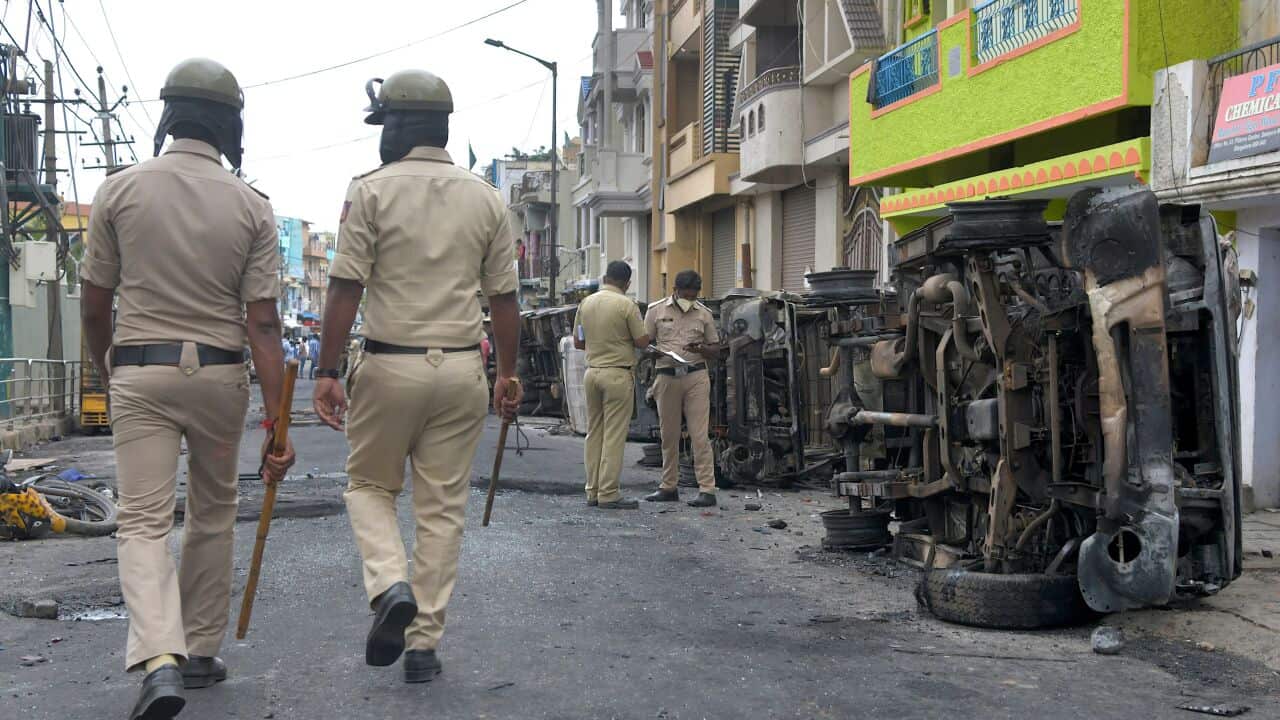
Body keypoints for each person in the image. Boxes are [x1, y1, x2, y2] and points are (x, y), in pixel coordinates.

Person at [79, 58, 296, 720]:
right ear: (230, 125)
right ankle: (200, 650)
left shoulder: (119, 191)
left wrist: (108, 364)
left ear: (169, 116)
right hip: (222, 373)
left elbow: (95, 300)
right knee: (212, 509)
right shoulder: (252, 206)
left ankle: (160, 656)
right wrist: (276, 426)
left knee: (142, 519)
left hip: (140, 367)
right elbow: (263, 323)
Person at [312, 69, 522, 685]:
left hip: (388, 362)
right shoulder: (486, 196)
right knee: (442, 509)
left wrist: (327, 371)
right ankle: (424, 642)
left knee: (370, 488)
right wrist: (507, 372)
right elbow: (504, 300)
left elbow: (346, 285)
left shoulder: (370, 190)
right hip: (462, 368)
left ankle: (388, 585)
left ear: (398, 126)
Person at [573, 261, 649, 509]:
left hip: (592, 373)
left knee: (594, 433)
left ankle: (592, 491)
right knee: (614, 436)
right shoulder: (627, 305)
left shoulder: (586, 303)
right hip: (617, 374)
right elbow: (641, 341)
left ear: (605, 277)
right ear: (627, 283)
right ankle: (608, 493)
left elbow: (578, 342)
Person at [644, 270, 722, 508]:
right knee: (669, 435)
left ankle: (707, 490)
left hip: (696, 375)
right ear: (675, 291)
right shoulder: (655, 310)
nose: (689, 299)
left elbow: (716, 350)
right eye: (685, 295)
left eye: (693, 295)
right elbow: (644, 343)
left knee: (700, 436)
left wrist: (702, 349)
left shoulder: (704, 314)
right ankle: (669, 487)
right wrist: (654, 351)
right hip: (666, 376)